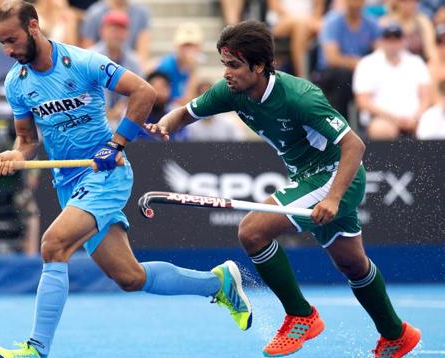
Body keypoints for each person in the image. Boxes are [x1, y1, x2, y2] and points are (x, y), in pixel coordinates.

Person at [0, 2, 252, 357]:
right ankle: (217, 283)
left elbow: (144, 91)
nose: (8, 50)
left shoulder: (82, 63)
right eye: (1, 43)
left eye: (12, 40)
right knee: (129, 277)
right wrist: (15, 157)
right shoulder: (16, 83)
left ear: (34, 27)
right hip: (69, 184)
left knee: (53, 246)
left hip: (105, 175)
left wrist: (116, 144)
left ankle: (36, 349)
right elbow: (28, 141)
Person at [146, 20, 421, 357]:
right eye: (224, 65)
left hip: (334, 176)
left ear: (259, 66)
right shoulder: (230, 91)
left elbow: (354, 145)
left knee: (252, 231)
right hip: (306, 177)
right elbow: (186, 113)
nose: (227, 73)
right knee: (353, 264)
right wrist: (164, 126)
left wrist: (333, 198)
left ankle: (301, 316)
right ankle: (396, 334)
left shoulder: (300, 97)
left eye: (234, 65)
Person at [353, 23, 431, 139]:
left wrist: (415, 117)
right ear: (381, 41)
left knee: (433, 126)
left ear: (404, 41)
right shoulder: (367, 64)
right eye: (389, 39)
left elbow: (426, 97)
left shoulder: (416, 62)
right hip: (382, 119)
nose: (393, 44)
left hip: (416, 118)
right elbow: (363, 101)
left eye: (396, 39)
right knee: (381, 130)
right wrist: (393, 118)